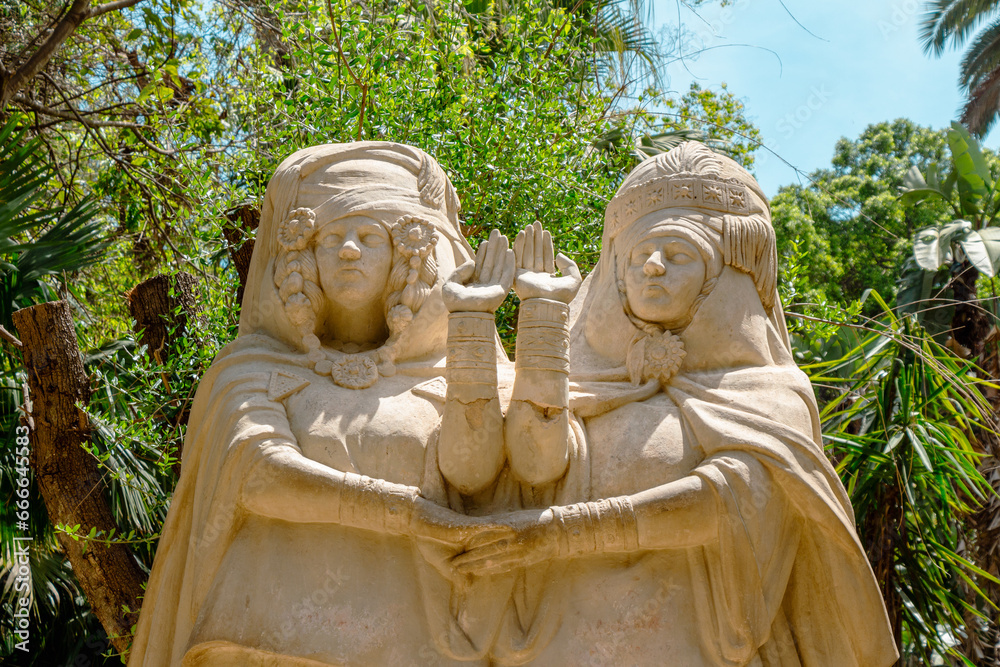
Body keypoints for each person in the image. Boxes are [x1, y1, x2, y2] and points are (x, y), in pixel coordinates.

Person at [455, 142, 900, 666]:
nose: (653, 268)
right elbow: (531, 467)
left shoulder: (768, 394)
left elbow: (731, 501)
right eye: (639, 255)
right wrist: (541, 315)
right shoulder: (585, 383)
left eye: (679, 255)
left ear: (721, 278)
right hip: (561, 643)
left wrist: (557, 535)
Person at [128, 142, 530, 666]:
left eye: (368, 238)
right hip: (268, 642)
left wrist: (483, 323)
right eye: (330, 239)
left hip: (423, 647)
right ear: (303, 257)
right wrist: (410, 515)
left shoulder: (455, 378)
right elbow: (259, 475)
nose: (347, 252)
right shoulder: (251, 372)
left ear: (405, 257)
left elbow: (497, 480)